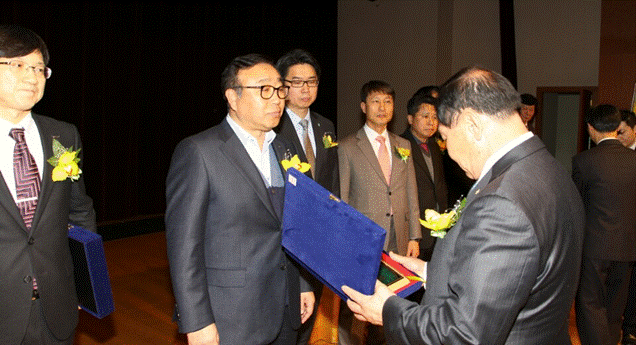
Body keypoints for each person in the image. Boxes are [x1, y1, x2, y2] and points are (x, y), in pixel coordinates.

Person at [341, 66, 585, 345]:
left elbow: (465, 334)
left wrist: (388, 310)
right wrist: (430, 272)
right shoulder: (548, 168)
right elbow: (510, 277)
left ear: (472, 125)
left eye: (445, 138)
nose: (450, 153)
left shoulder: (502, 202)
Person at [165, 53, 314, 345]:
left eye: (280, 89)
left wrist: (302, 284)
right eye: (264, 90)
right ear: (232, 97)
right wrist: (197, 322)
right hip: (231, 315)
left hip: (286, 307)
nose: (277, 100)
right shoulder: (200, 152)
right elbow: (184, 249)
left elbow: (295, 226)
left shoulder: (284, 148)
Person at [0, 25, 97, 344]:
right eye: (18, 65)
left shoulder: (63, 135)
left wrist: (85, 286)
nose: (32, 77)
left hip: (57, 308)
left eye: (40, 68)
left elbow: (79, 213)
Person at [338, 80, 420, 344]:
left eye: (387, 102)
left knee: (393, 305)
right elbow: (342, 198)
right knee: (359, 307)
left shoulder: (403, 145)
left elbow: (411, 192)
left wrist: (414, 236)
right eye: (376, 101)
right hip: (364, 240)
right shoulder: (348, 146)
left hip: (398, 237)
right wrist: (346, 241)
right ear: (364, 107)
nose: (382, 107)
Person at [274, 48, 339, 345]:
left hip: (321, 234)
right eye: (297, 82)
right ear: (283, 87)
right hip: (289, 233)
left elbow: (331, 179)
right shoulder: (272, 127)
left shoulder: (326, 126)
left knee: (312, 313)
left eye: (311, 82)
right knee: (289, 315)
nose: (305, 89)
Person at [572, 104, 636, 345]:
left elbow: (576, 205)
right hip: (628, 247)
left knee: (590, 304)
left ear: (591, 128)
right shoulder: (633, 159)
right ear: (618, 127)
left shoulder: (584, 161)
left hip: (594, 246)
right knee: (614, 307)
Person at [400, 91, 447, 262]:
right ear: (411, 119)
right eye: (425, 116)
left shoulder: (434, 146)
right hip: (415, 231)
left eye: (435, 117)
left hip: (437, 230)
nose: (431, 122)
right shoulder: (400, 146)